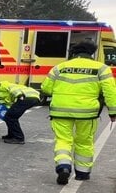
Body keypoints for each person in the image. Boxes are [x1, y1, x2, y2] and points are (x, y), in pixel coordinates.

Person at [40, 41, 116, 185]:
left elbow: (46, 88)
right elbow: (111, 93)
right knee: (84, 142)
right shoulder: (102, 68)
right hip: (87, 113)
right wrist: (113, 112)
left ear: (73, 53)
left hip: (60, 111)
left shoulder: (59, 67)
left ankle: (63, 167)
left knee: (63, 141)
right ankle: (82, 174)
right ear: (91, 53)